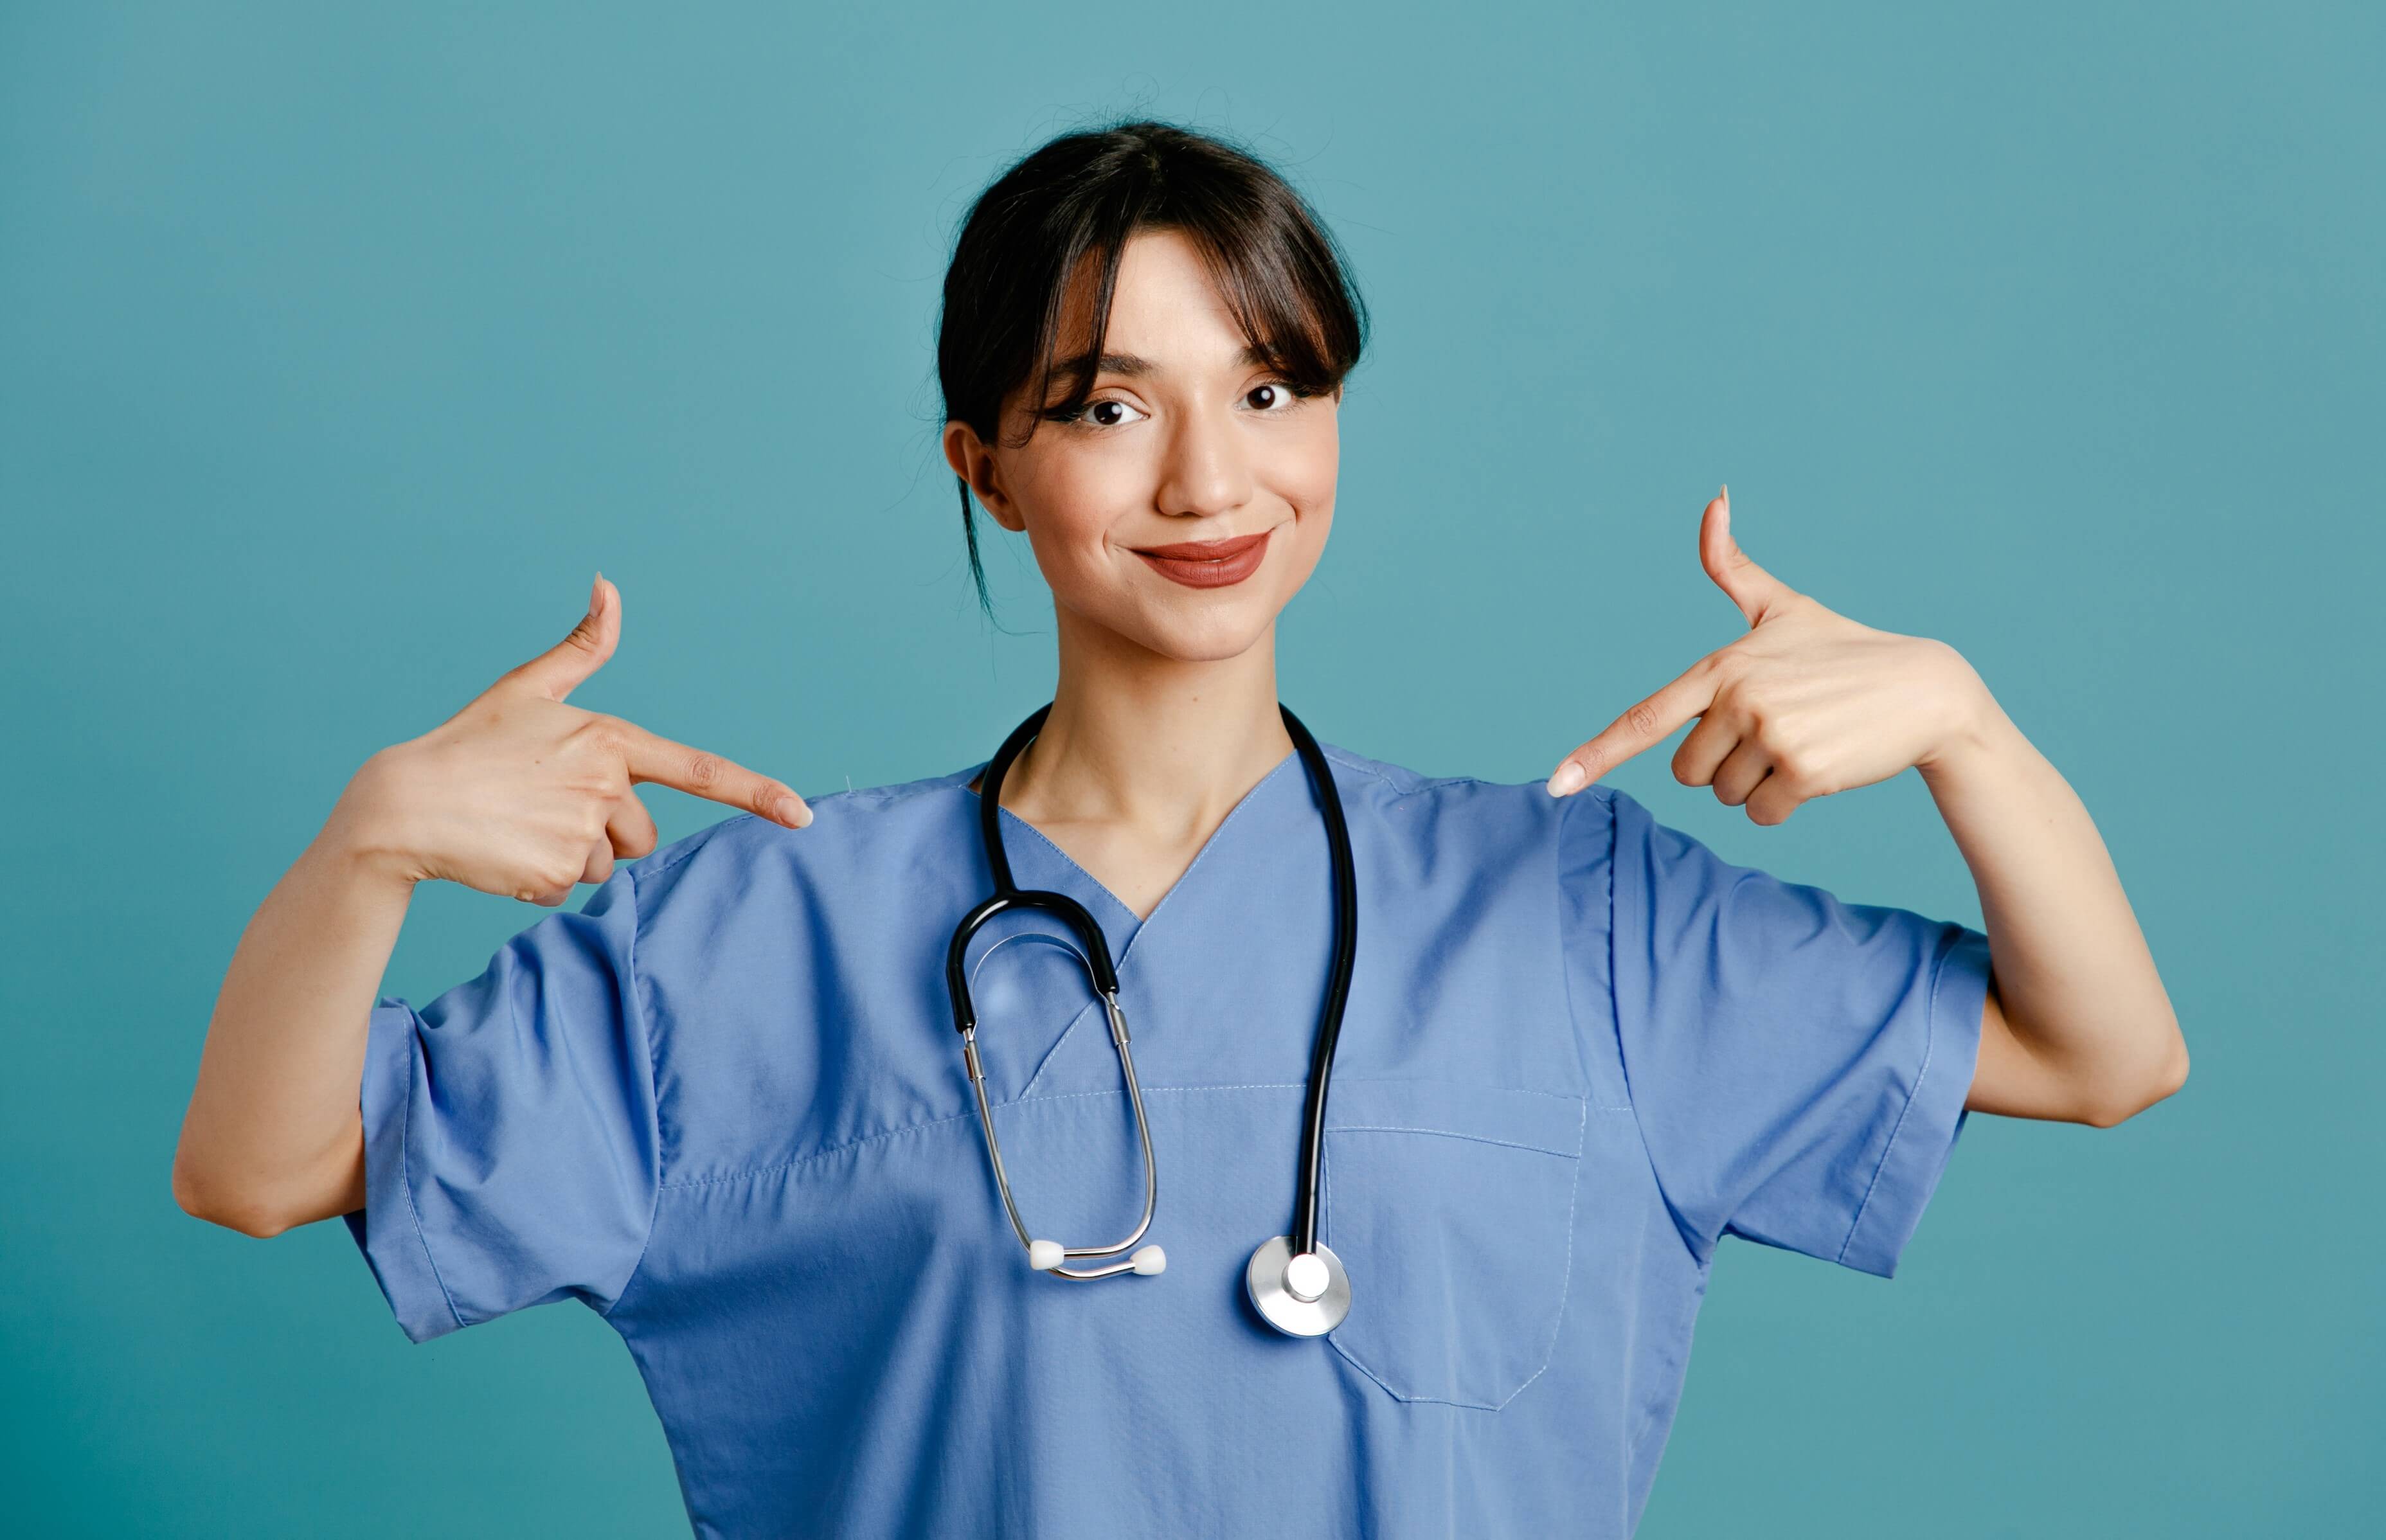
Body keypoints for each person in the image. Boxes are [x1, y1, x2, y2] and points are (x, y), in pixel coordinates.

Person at [172, 120, 2187, 1538]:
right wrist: (366, 853)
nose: (1215, 475)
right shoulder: (758, 935)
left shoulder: (1569, 908)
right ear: (989, 468)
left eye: (1277, 385)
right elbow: (265, 1167)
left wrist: (1969, 732)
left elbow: (2104, 1054)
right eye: (1112, 403)